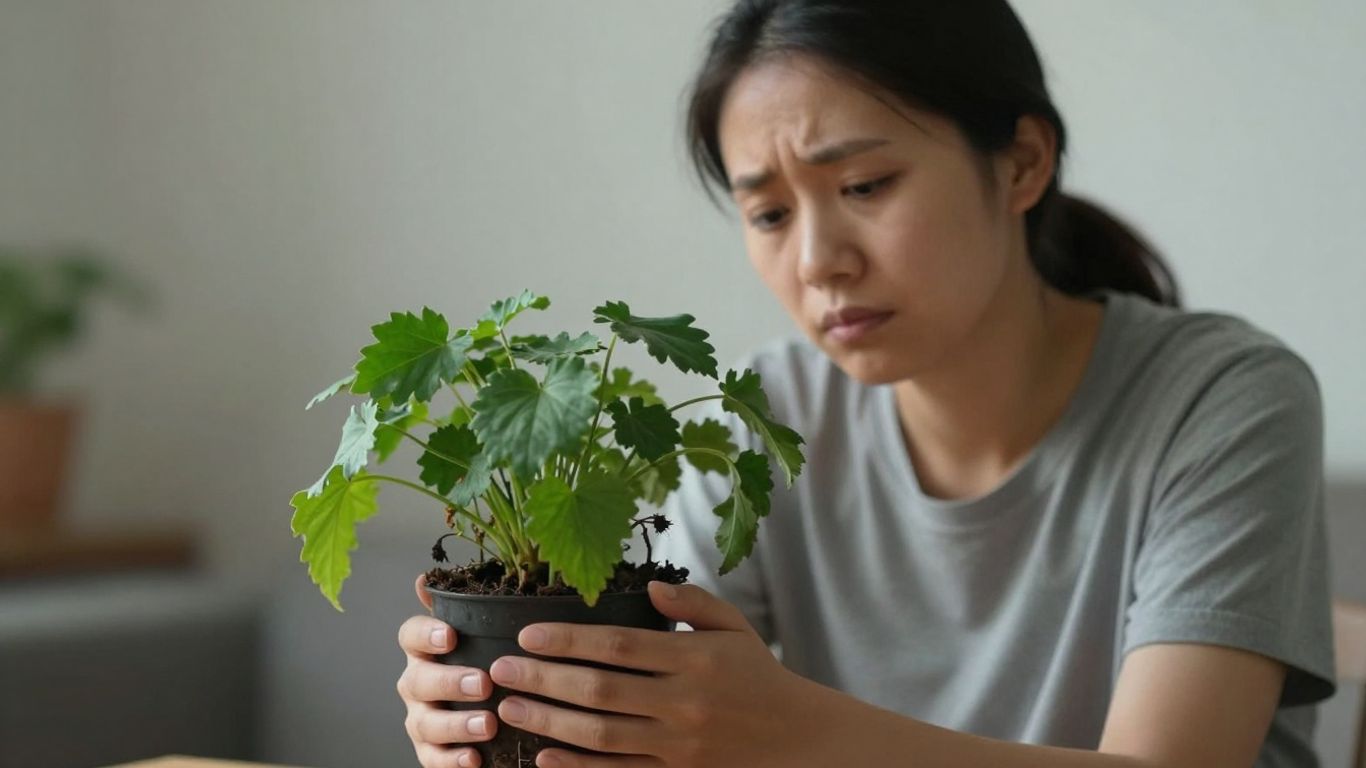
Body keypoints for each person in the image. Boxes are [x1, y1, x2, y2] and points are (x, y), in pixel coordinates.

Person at [395, 1, 1336, 766]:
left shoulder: (1225, 401)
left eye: (867, 186)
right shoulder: (771, 416)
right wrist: (510, 711)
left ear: (1021, 163)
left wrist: (789, 730)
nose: (818, 262)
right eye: (767, 212)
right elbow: (658, 699)